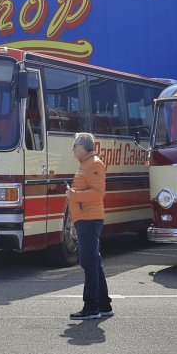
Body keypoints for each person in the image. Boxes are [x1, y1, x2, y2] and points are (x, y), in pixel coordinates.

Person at [68, 131, 112, 321]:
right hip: (85, 219)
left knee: (89, 263)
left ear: (84, 147)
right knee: (94, 262)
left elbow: (97, 193)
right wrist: (74, 222)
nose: (72, 149)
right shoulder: (86, 164)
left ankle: (92, 307)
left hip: (90, 220)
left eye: (75, 145)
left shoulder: (94, 164)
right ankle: (103, 305)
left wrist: (73, 194)